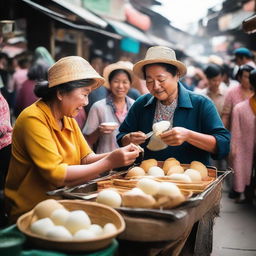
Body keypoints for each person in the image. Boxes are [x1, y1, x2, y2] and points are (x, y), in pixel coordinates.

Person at [4, 56, 140, 223]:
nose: (86, 102)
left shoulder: (68, 118)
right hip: (32, 213)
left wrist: (117, 154)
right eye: (84, 94)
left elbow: (86, 158)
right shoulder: (33, 119)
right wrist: (110, 161)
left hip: (63, 204)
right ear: (60, 93)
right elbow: (56, 174)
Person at [117, 46, 230, 165]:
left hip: (190, 180)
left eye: (161, 80)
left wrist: (189, 136)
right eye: (149, 81)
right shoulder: (141, 104)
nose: (155, 86)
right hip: (148, 178)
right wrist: (129, 139)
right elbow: (122, 137)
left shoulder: (201, 104)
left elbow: (223, 144)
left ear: (177, 75)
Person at [83, 61, 135, 153]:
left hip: (130, 162)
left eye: (125, 82)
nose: (120, 86)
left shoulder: (135, 106)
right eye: (116, 81)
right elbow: (87, 141)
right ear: (110, 84)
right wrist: (99, 131)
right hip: (105, 162)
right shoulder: (98, 107)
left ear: (130, 84)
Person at [229, 69, 256, 204]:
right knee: (247, 172)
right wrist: (234, 148)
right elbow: (236, 132)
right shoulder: (240, 108)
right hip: (246, 148)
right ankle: (247, 195)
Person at [222, 64, 254, 130]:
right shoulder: (231, 92)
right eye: (246, 77)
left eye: (250, 77)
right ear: (239, 78)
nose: (249, 80)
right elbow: (226, 115)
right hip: (236, 130)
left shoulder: (254, 92)